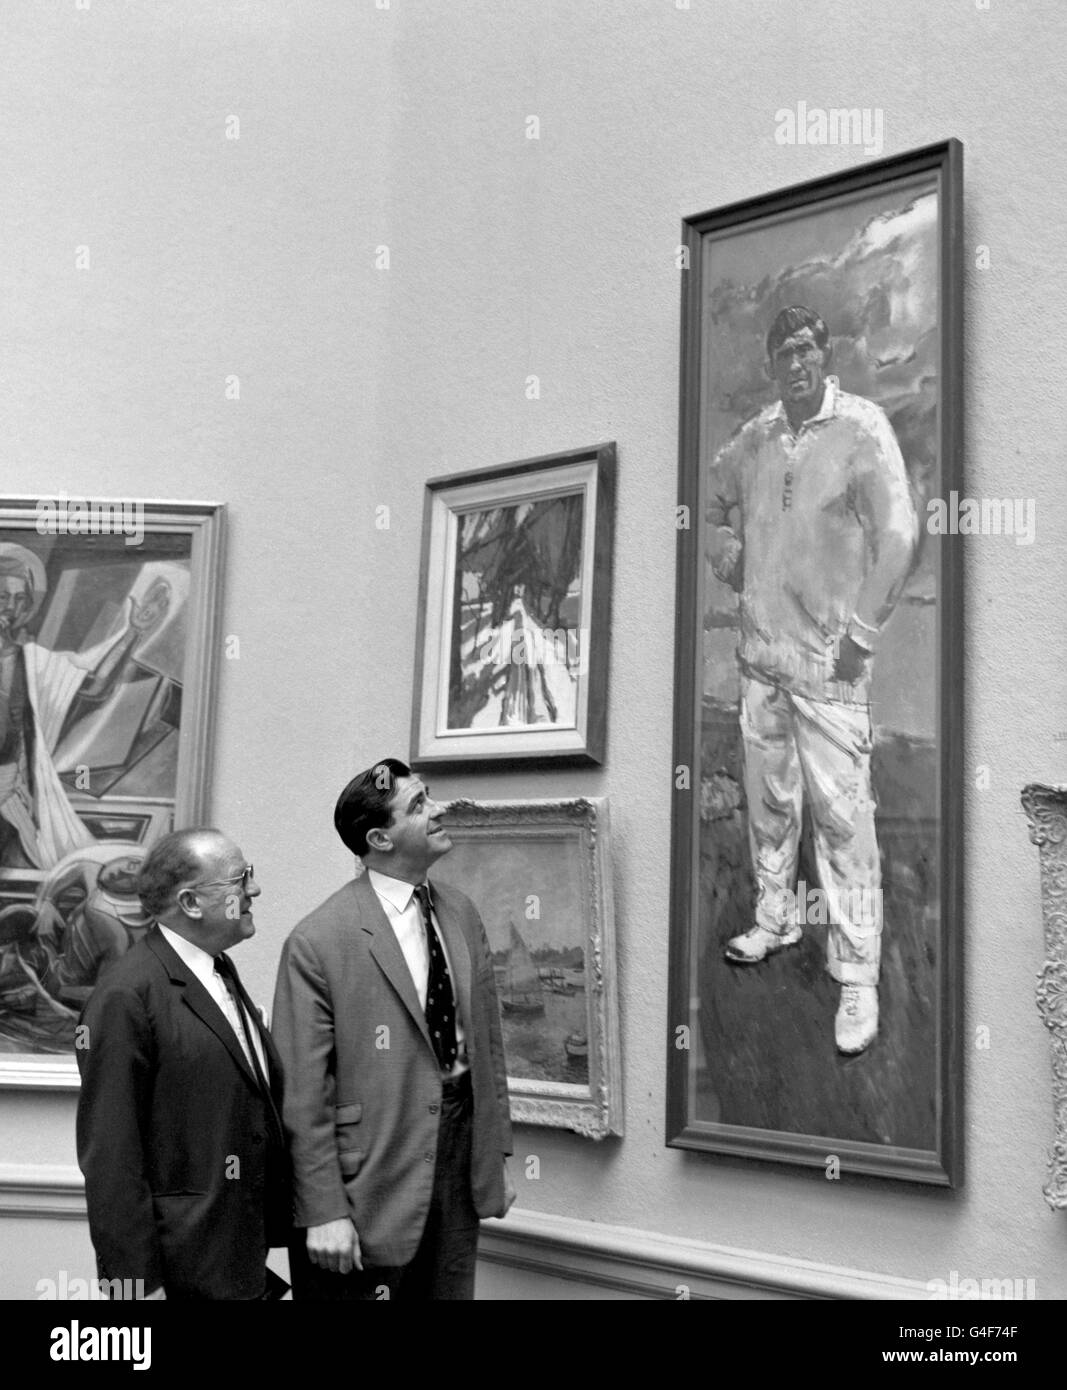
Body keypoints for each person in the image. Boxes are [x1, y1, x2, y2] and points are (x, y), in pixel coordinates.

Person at [707, 305, 918, 1055]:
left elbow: (899, 534)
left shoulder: (860, 431)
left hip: (829, 669)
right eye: (781, 353)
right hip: (759, 661)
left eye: (805, 349)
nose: (794, 364)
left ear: (822, 355)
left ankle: (855, 974)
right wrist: (723, 543)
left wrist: (861, 635)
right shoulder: (756, 437)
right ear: (770, 365)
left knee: (840, 820)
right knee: (769, 809)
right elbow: (711, 501)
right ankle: (776, 919)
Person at [272, 757, 515, 1301]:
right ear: (380, 838)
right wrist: (323, 1210)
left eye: (428, 796)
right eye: (418, 805)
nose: (437, 810)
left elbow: (488, 1048)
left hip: (458, 1171)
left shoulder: (461, 913)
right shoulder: (317, 941)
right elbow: (303, 1097)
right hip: (365, 1193)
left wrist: (494, 1157)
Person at [75, 828, 290, 1299]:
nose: (253, 889)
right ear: (191, 903)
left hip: (234, 1258)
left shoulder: (216, 970)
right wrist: (135, 1289)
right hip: (178, 1274)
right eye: (240, 878)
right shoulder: (125, 996)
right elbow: (111, 1157)